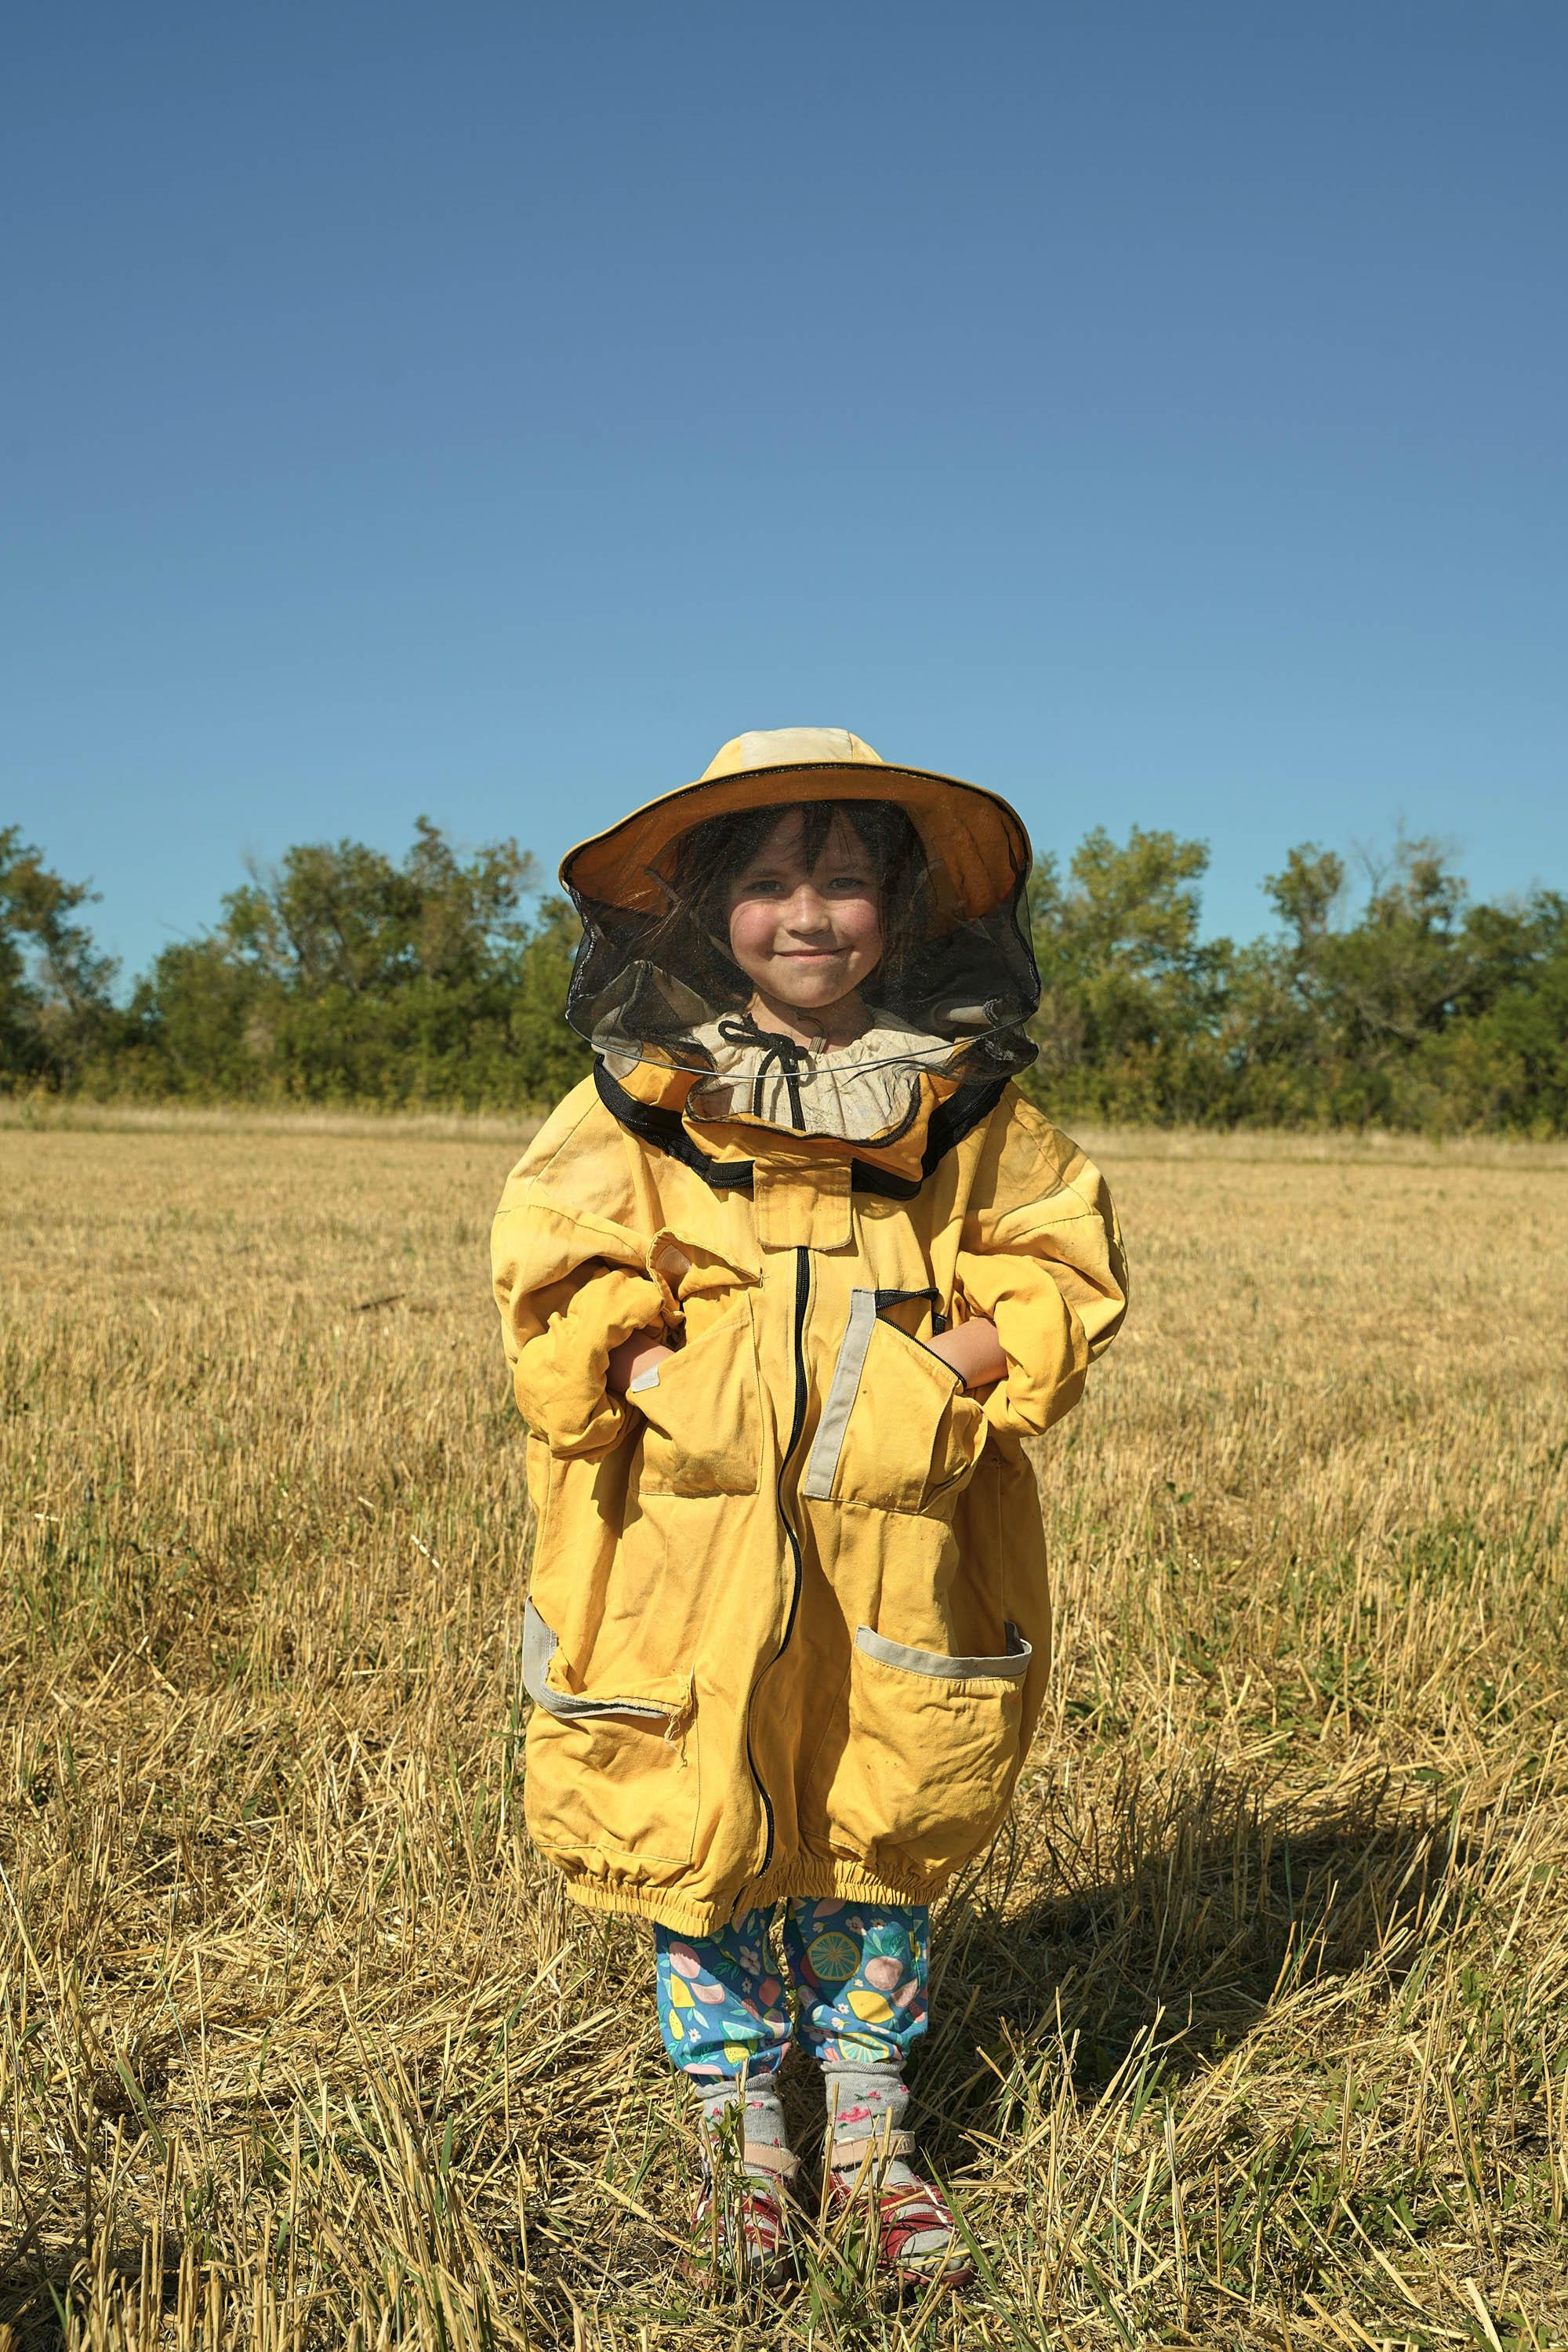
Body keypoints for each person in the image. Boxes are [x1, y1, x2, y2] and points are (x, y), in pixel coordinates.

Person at [491, 727, 1126, 2289]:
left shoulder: (967, 1108)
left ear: (902, 914)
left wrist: (928, 1375)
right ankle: (740, 2149)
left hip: (897, 1546)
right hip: (681, 1553)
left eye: (844, 880)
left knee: (875, 1813)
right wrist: (657, 1382)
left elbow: (1055, 1266)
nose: (808, 912)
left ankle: (867, 2133)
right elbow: (552, 1276)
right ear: (703, 915)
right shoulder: (636, 1103)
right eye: (768, 881)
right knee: (702, 1813)